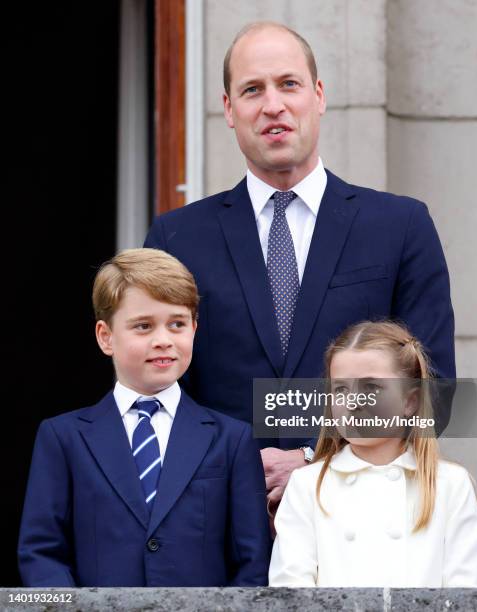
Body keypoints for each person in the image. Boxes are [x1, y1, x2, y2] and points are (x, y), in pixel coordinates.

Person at [144, 21, 455, 508]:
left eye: (288, 84)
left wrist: (317, 459)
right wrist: (242, 470)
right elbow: (156, 396)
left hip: (362, 518)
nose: (273, 105)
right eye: (252, 90)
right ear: (229, 109)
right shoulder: (177, 238)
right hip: (221, 528)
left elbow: (435, 394)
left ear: (318, 95)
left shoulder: (400, 226)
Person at [18, 248, 270, 587]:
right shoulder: (62, 438)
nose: (163, 340)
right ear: (105, 337)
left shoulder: (231, 439)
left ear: (195, 328)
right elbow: (42, 553)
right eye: (143, 326)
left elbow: (252, 563)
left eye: (177, 324)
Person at [268, 321, 477, 587]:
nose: (352, 402)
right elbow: (291, 591)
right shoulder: (306, 485)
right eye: (341, 389)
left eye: (371, 388)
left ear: (410, 401)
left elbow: (468, 595)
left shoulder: (450, 484)